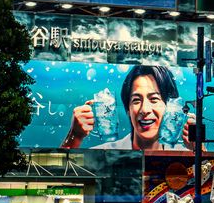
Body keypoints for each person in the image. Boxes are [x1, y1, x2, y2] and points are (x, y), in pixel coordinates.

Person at [61, 64, 195, 151]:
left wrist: (199, 149)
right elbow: (60, 175)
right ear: (128, 109)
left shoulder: (183, 155)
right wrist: (75, 137)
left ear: (170, 108)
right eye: (136, 100)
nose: (145, 110)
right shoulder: (105, 152)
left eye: (154, 99)